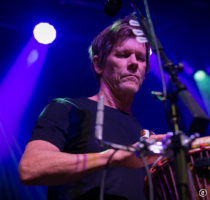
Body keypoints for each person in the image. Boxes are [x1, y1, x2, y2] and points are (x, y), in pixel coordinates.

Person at [18, 14, 164, 200]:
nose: (134, 63)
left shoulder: (142, 134)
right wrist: (116, 157)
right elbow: (30, 168)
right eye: (123, 54)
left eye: (141, 58)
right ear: (98, 64)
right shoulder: (67, 109)